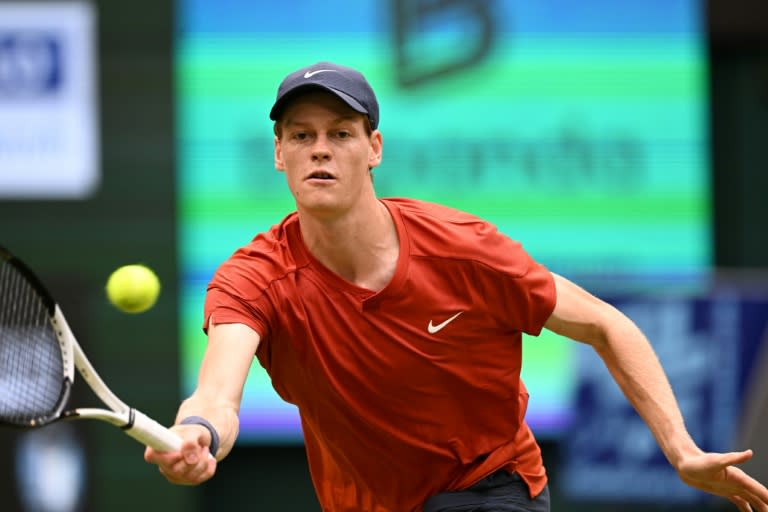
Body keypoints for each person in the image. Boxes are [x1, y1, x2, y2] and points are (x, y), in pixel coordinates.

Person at [145, 61, 768, 512]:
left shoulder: (462, 249)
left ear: (374, 149)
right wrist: (198, 436)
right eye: (302, 136)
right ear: (279, 154)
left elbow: (606, 325)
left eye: (340, 133)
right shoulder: (254, 276)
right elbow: (217, 395)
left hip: (489, 487)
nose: (320, 150)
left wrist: (681, 450)